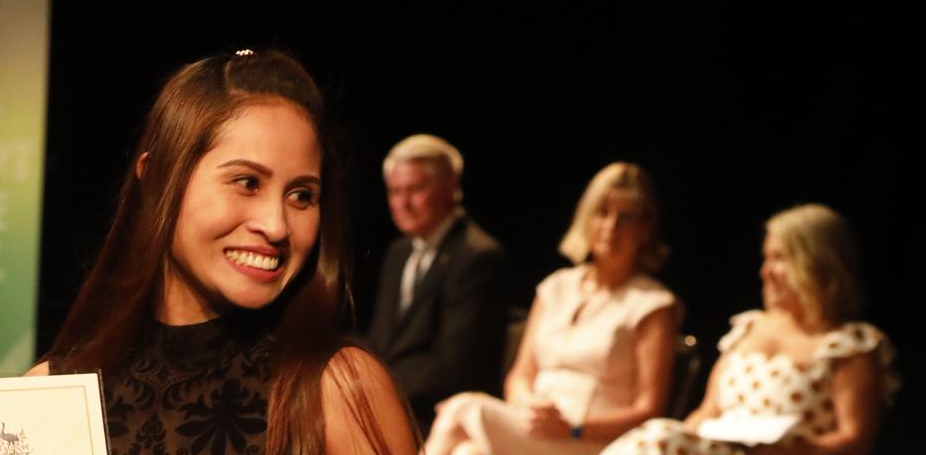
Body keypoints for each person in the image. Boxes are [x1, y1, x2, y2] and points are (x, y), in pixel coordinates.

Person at [27, 49, 417, 454]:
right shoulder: (48, 396)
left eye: (302, 195)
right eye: (247, 182)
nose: (276, 225)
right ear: (157, 179)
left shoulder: (336, 389)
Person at [423, 162, 678, 455]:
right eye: (602, 213)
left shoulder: (653, 304)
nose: (611, 227)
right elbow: (520, 374)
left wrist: (576, 426)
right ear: (586, 218)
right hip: (533, 428)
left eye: (626, 218)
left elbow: (649, 409)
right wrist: (526, 403)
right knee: (467, 452)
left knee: (461, 409)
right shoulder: (556, 287)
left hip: (592, 440)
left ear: (645, 230)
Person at [603, 204, 897, 455]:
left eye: (780, 258)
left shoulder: (849, 345)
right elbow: (708, 412)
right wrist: (685, 439)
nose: (765, 271)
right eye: (766, 258)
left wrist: (791, 451)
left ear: (817, 262)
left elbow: (855, 440)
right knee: (660, 437)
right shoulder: (748, 329)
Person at [367, 134, 509, 434]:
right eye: (395, 192)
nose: (403, 203)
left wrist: (373, 390)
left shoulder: (477, 257)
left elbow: (453, 369)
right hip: (391, 406)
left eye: (415, 189)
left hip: (438, 417)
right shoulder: (399, 253)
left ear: (451, 187)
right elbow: (382, 342)